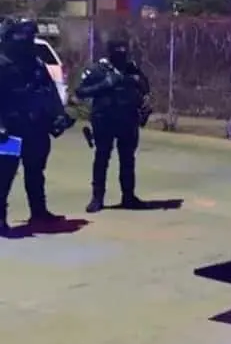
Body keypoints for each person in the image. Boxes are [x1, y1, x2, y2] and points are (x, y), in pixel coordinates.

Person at [0, 19, 73, 235]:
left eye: (30, 38)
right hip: (10, 129)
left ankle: (39, 212)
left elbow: (49, 91)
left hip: (35, 127)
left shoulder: (36, 64)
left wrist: (58, 116)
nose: (28, 42)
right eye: (24, 37)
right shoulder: (2, 64)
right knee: (4, 174)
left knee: (35, 171)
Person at [75, 39, 151, 212]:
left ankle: (128, 196)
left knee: (128, 160)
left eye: (124, 53)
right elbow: (80, 91)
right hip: (104, 120)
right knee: (102, 158)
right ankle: (97, 198)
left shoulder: (132, 69)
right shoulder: (98, 69)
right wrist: (105, 84)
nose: (121, 57)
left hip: (127, 119)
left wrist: (142, 98)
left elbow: (145, 88)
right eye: (118, 53)